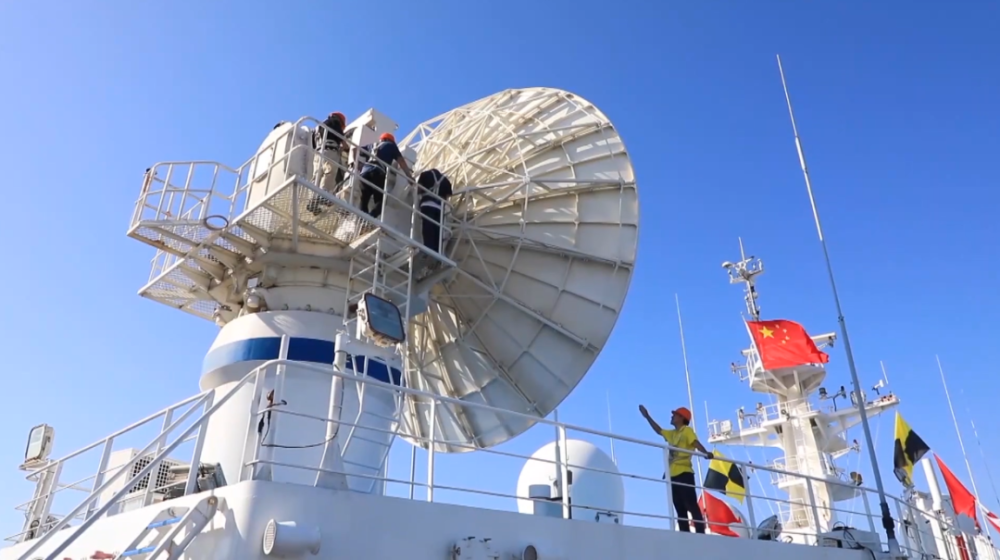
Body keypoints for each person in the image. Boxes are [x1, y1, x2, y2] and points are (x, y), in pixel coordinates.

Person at [638, 404, 713, 533]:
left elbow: (695, 442)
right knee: (679, 506)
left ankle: (700, 533)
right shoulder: (673, 433)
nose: (672, 416)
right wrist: (647, 417)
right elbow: (659, 430)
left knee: (691, 505)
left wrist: (705, 453)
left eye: (675, 415)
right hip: (672, 475)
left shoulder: (687, 431)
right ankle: (684, 533)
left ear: (682, 418)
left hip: (685, 473)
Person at [359, 132, 411, 218]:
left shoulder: (373, 145)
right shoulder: (391, 145)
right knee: (380, 202)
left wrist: (357, 164)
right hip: (377, 172)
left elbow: (355, 149)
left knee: (364, 200)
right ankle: (370, 219)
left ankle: (361, 219)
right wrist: (409, 177)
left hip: (364, 172)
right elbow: (401, 161)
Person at [308, 112, 347, 215]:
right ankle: (323, 194)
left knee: (317, 175)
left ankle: (312, 200)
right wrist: (347, 148)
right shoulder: (334, 122)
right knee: (329, 171)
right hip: (330, 150)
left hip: (317, 153)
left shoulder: (318, 126)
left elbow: (313, 143)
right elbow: (343, 141)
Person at [416, 168, 452, 254]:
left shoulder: (425, 174)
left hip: (427, 205)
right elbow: (446, 197)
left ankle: (428, 251)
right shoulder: (446, 181)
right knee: (437, 231)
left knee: (428, 229)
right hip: (439, 208)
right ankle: (436, 252)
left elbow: (419, 189)